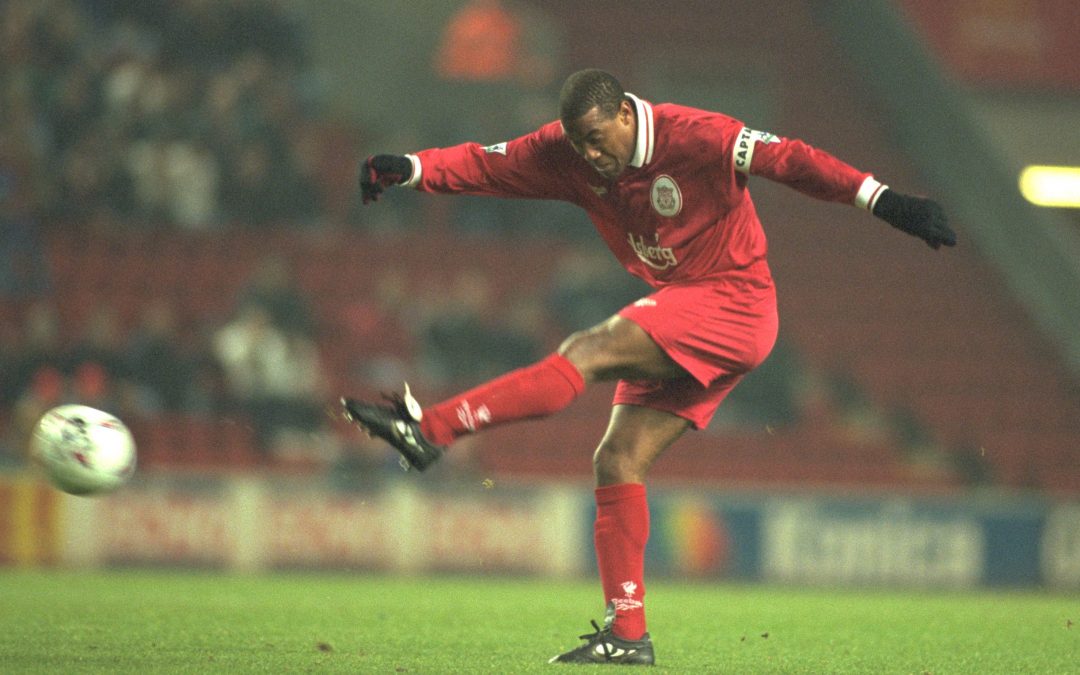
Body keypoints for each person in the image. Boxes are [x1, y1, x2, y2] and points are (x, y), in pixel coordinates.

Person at [344, 68, 955, 666]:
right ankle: (628, 635)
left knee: (587, 349)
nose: (588, 154)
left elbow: (791, 159)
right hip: (683, 309)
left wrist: (885, 202)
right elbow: (485, 164)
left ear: (623, 113)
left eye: (596, 137)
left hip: (733, 300)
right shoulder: (566, 152)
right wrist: (411, 169)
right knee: (616, 460)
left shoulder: (696, 135)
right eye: (577, 142)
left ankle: (431, 430)